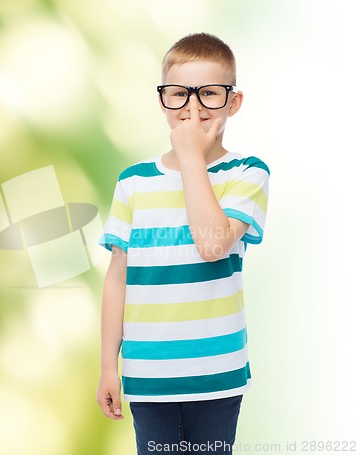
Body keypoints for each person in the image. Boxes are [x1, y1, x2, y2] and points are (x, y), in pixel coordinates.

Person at [96, 32, 270, 455]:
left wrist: (192, 157)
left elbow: (213, 245)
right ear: (163, 101)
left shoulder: (247, 173)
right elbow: (117, 279)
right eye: (179, 94)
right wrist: (107, 367)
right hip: (149, 374)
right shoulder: (133, 181)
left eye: (209, 94)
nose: (192, 107)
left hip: (217, 373)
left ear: (233, 102)